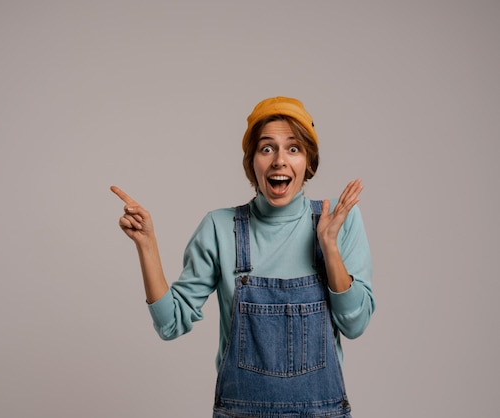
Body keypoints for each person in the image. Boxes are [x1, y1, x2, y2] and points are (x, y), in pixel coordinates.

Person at [111, 96, 375, 418]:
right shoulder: (220, 227)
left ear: (308, 161)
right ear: (252, 162)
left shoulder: (338, 219)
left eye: (293, 148)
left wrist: (329, 245)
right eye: (267, 148)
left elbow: (356, 324)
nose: (279, 160)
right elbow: (170, 324)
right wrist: (147, 245)